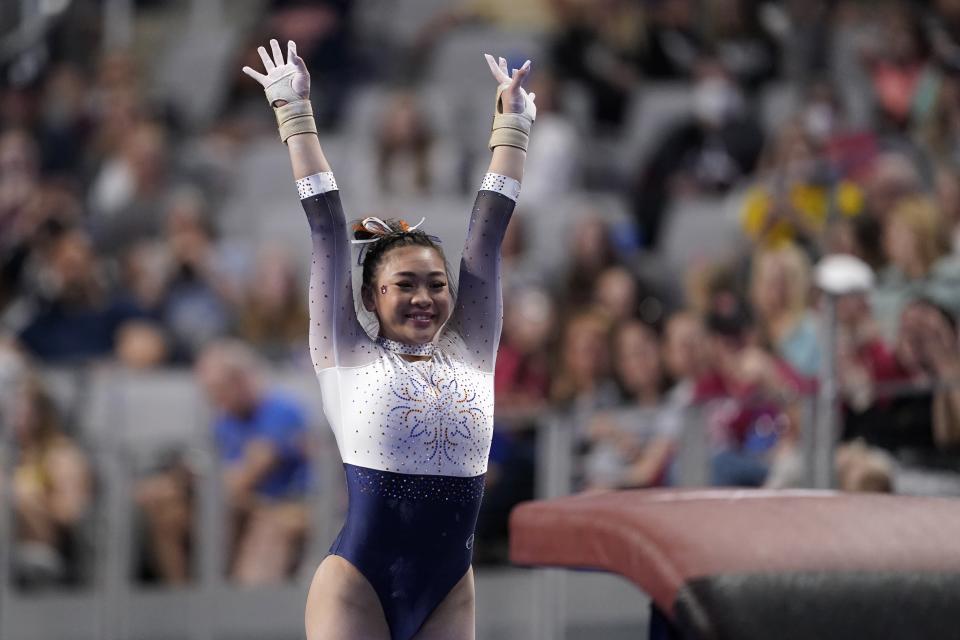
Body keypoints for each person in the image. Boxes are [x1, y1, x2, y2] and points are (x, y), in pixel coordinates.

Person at [241, 39, 535, 639]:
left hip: (449, 589)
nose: (424, 297)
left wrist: (512, 125)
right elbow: (326, 227)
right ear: (372, 297)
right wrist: (293, 114)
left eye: (435, 284)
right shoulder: (344, 351)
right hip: (358, 586)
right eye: (405, 285)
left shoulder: (473, 347)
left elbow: (486, 235)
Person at [136, 340, 311, 585]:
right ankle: (185, 601)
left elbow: (244, 479)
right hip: (233, 503)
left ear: (240, 381)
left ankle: (239, 607)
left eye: (217, 390)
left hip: (282, 504)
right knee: (166, 511)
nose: (213, 399)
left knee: (251, 519)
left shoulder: (280, 410)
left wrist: (192, 484)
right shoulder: (226, 419)